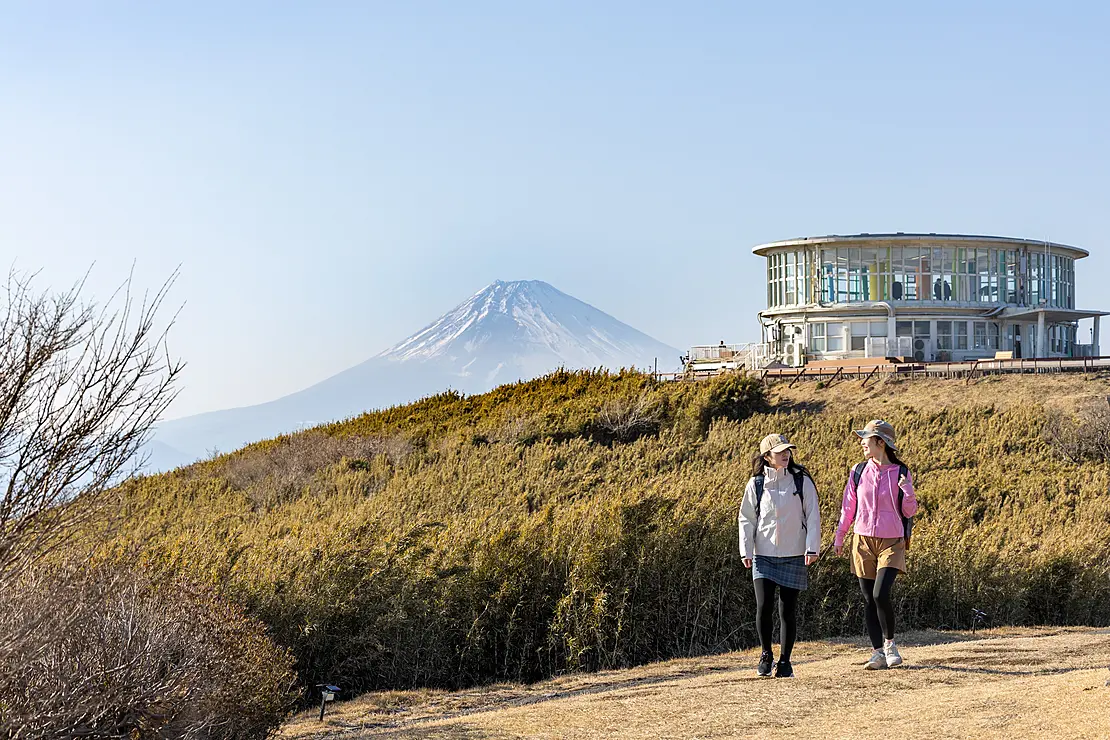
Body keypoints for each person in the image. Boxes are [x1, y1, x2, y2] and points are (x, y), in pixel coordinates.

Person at [834, 419, 918, 670]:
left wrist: (909, 491)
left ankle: (890, 645)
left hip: (892, 540)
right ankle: (877, 653)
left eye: (866, 438)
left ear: (880, 442)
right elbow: (848, 507)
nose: (862, 442)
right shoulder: (858, 470)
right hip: (862, 540)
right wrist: (840, 536)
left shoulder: (902, 472)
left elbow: (909, 510)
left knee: (881, 593)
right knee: (869, 599)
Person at [738, 433, 821, 678]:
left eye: (788, 451)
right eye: (780, 452)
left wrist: (812, 547)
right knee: (763, 607)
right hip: (763, 554)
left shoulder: (801, 480)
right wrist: (746, 550)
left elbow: (813, 514)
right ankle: (766, 654)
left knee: (788, 610)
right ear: (767, 456)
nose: (786, 455)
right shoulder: (756, 483)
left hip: (794, 553)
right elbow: (746, 518)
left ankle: (785, 662)